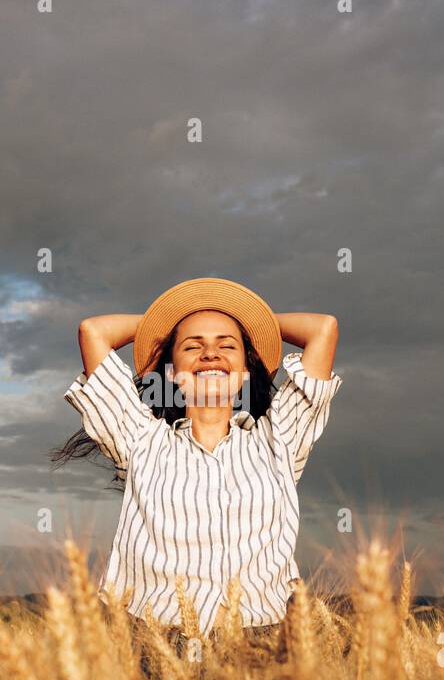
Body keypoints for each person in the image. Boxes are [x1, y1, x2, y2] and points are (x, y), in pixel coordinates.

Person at [51, 276, 341, 651]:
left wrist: (249, 322)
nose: (210, 354)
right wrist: (168, 322)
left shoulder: (279, 439)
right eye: (192, 347)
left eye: (227, 346)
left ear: (247, 370)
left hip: (261, 645)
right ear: (170, 372)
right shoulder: (139, 438)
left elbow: (323, 329)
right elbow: (93, 332)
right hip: (149, 643)